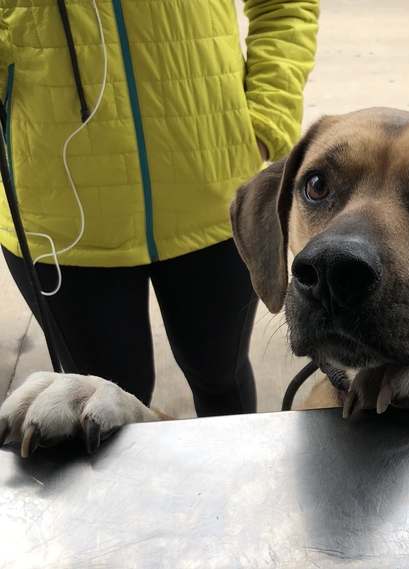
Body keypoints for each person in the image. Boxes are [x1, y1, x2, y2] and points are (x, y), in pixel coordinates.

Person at [0, 0, 319, 416]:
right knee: (100, 405)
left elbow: (285, 6)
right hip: (58, 216)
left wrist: (264, 119)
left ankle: (233, 481)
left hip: (212, 198)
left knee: (221, 376)